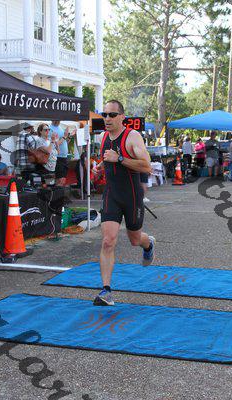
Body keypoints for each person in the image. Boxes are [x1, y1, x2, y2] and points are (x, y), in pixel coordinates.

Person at [92, 100, 154, 306]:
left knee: (135, 240)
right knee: (108, 241)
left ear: (122, 117)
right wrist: (100, 166)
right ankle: (106, 291)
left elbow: (146, 167)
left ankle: (148, 243)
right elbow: (107, 158)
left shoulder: (132, 136)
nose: (107, 119)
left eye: (112, 115)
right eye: (104, 115)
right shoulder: (103, 137)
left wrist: (119, 159)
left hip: (131, 196)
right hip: (111, 194)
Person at [55, 122, 73, 186]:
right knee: (59, 179)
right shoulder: (52, 129)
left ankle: (60, 190)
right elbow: (55, 144)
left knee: (63, 179)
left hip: (64, 157)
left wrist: (70, 136)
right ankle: (57, 191)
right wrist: (64, 136)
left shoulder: (61, 128)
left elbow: (65, 142)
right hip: (58, 157)